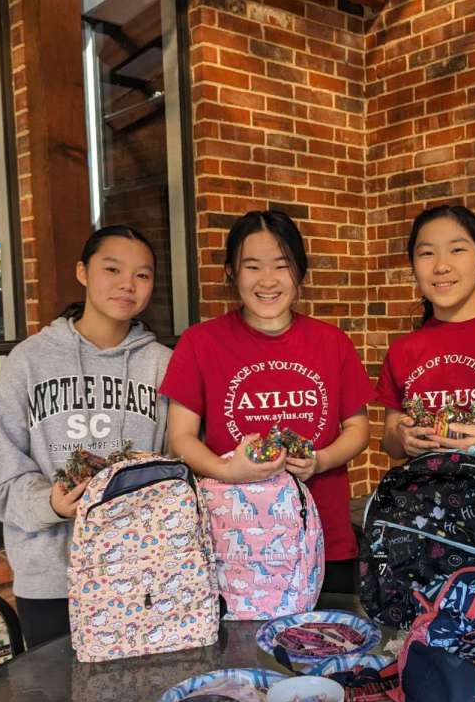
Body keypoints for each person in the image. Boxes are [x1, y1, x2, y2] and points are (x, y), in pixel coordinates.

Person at [160, 210, 373, 592]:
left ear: (300, 273)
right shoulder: (200, 343)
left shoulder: (332, 342)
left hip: (324, 540)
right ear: (231, 273)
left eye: (282, 265)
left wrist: (321, 460)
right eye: (252, 266)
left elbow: (358, 429)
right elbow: (181, 438)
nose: (268, 281)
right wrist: (228, 471)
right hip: (233, 545)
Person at [0, 225, 172, 648]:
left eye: (142, 275)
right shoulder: (28, 362)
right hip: (53, 578)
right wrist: (51, 502)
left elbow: (176, 469)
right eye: (113, 269)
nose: (128, 284)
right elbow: (1, 479)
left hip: (139, 571)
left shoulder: (164, 366)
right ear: (83, 272)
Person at [377, 204, 475, 462]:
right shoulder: (403, 350)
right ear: (413, 268)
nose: (442, 266)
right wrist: (402, 437)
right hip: (423, 498)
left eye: (457, 250)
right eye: (427, 253)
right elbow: (390, 442)